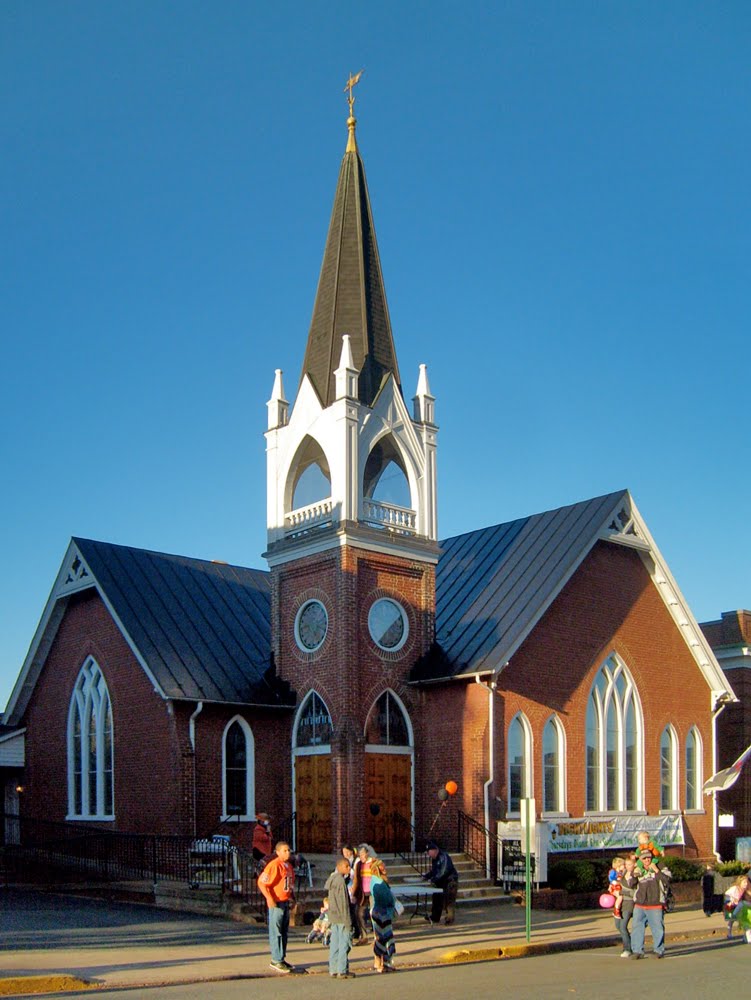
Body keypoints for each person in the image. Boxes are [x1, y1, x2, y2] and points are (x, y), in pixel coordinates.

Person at [258, 841, 296, 974]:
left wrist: (292, 898)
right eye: (284, 850)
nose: (288, 853)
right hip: (276, 902)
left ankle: (281, 957)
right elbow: (262, 883)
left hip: (285, 901)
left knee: (284, 931)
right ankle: (275, 959)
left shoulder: (288, 866)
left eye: (288, 850)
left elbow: (289, 885)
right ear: (278, 852)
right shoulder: (274, 866)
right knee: (276, 931)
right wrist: (269, 898)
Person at [629, 848, 672, 959]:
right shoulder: (638, 868)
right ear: (641, 859)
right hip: (640, 903)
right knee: (637, 927)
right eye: (644, 858)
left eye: (648, 857)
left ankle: (658, 950)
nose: (647, 860)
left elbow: (667, 880)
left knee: (657, 927)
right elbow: (631, 884)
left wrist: (657, 871)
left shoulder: (660, 866)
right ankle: (637, 950)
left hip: (656, 903)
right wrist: (634, 874)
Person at [325, 859, 355, 978]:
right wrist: (348, 922)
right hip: (342, 918)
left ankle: (333, 969)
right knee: (344, 944)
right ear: (339, 867)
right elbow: (343, 903)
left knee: (335, 944)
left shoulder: (333, 879)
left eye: (349, 866)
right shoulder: (340, 882)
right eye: (346, 866)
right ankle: (342, 969)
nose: (349, 868)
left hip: (334, 916)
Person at [422, 840, 459, 924]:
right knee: (436, 898)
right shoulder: (435, 859)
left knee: (449, 900)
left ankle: (449, 919)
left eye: (429, 852)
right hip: (440, 881)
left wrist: (434, 879)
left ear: (434, 850)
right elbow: (434, 871)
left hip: (450, 880)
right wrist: (426, 876)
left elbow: (444, 871)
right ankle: (435, 916)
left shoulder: (443, 856)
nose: (428, 854)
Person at [352, 844, 382, 944]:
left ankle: (377, 937)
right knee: (359, 913)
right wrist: (353, 893)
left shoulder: (375, 863)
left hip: (373, 892)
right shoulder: (359, 864)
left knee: (374, 914)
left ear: (367, 853)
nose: (361, 857)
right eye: (359, 855)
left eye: (363, 854)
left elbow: (381, 877)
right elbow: (356, 879)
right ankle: (363, 936)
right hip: (362, 893)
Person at [370, 861, 396, 973]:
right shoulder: (378, 883)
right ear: (377, 869)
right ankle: (384, 963)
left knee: (381, 938)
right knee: (385, 939)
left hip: (379, 912)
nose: (385, 868)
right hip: (382, 913)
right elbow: (386, 899)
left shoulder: (376, 880)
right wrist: (392, 902)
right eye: (382, 867)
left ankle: (382, 963)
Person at [340, 845, 364, 943]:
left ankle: (358, 931)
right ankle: (354, 930)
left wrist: (354, 890)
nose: (345, 854)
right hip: (348, 887)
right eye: (343, 852)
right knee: (350, 910)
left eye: (346, 852)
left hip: (355, 888)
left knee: (355, 911)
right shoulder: (346, 861)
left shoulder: (356, 861)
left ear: (351, 851)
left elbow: (356, 877)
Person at [616, 854, 638, 958]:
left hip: (629, 903)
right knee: (618, 925)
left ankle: (627, 949)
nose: (628, 866)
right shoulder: (622, 874)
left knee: (623, 926)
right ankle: (631, 944)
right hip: (620, 903)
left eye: (630, 864)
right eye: (626, 864)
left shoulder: (635, 876)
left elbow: (634, 892)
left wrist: (622, 892)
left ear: (634, 865)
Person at [724, 875, 750, 939]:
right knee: (732, 920)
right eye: (744, 882)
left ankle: (745, 936)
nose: (746, 884)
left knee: (741, 920)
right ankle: (729, 933)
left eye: (746, 882)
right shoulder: (735, 888)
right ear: (740, 882)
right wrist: (731, 899)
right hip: (730, 905)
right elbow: (727, 894)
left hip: (737, 905)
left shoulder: (744, 890)